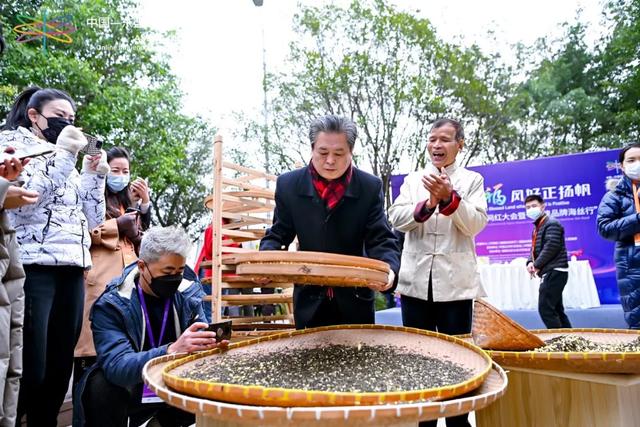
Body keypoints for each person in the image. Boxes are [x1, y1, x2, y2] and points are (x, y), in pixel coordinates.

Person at [0, 86, 108, 426]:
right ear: (34, 115)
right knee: (31, 364)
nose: (66, 124)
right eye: (59, 117)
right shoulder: (13, 145)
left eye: (71, 119)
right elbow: (29, 197)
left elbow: (93, 220)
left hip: (73, 267)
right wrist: (62, 156)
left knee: (61, 364)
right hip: (33, 266)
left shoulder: (69, 160)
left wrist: (94, 175)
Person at [73, 226, 227, 427]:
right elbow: (117, 366)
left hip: (175, 381)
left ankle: (164, 423)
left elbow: (202, 344)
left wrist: (211, 347)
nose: (175, 278)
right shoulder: (113, 305)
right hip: (135, 386)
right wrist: (170, 350)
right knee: (100, 384)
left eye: (180, 271)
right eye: (168, 271)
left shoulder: (190, 295)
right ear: (142, 266)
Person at [389, 118, 487, 427]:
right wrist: (429, 203)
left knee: (458, 358)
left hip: (455, 286)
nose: (436, 145)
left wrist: (449, 199)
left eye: (445, 139)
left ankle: (459, 420)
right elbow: (397, 218)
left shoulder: (472, 180)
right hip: (416, 284)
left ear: (460, 144)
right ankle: (426, 421)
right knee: (419, 358)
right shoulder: (412, 180)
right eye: (432, 139)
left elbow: (474, 225)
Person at [259, 114, 400, 329]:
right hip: (309, 300)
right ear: (312, 148)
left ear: (351, 152)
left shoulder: (369, 187)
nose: (330, 161)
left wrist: (388, 274)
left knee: (358, 358)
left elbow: (381, 239)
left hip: (355, 301)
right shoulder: (289, 185)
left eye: (339, 153)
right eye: (323, 153)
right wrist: (264, 264)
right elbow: (278, 233)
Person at [74, 147, 153, 384]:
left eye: (125, 171)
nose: (120, 175)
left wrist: (145, 206)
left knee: (122, 356)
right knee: (91, 356)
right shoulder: (90, 196)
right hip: (98, 281)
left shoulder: (125, 202)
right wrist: (117, 225)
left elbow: (142, 242)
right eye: (115, 169)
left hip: (126, 287)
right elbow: (83, 233)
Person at [597, 142, 640, 329]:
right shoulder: (614, 196)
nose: (637, 163)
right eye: (631, 160)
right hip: (632, 267)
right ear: (622, 166)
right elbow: (605, 228)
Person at [525, 194, 572, 329]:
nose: (530, 209)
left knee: (546, 309)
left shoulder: (551, 223)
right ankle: (569, 340)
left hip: (555, 270)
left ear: (543, 206)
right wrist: (529, 262)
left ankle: (559, 340)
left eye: (534, 206)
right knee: (557, 310)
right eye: (527, 207)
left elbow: (551, 247)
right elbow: (534, 248)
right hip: (551, 270)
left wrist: (537, 264)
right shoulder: (538, 226)